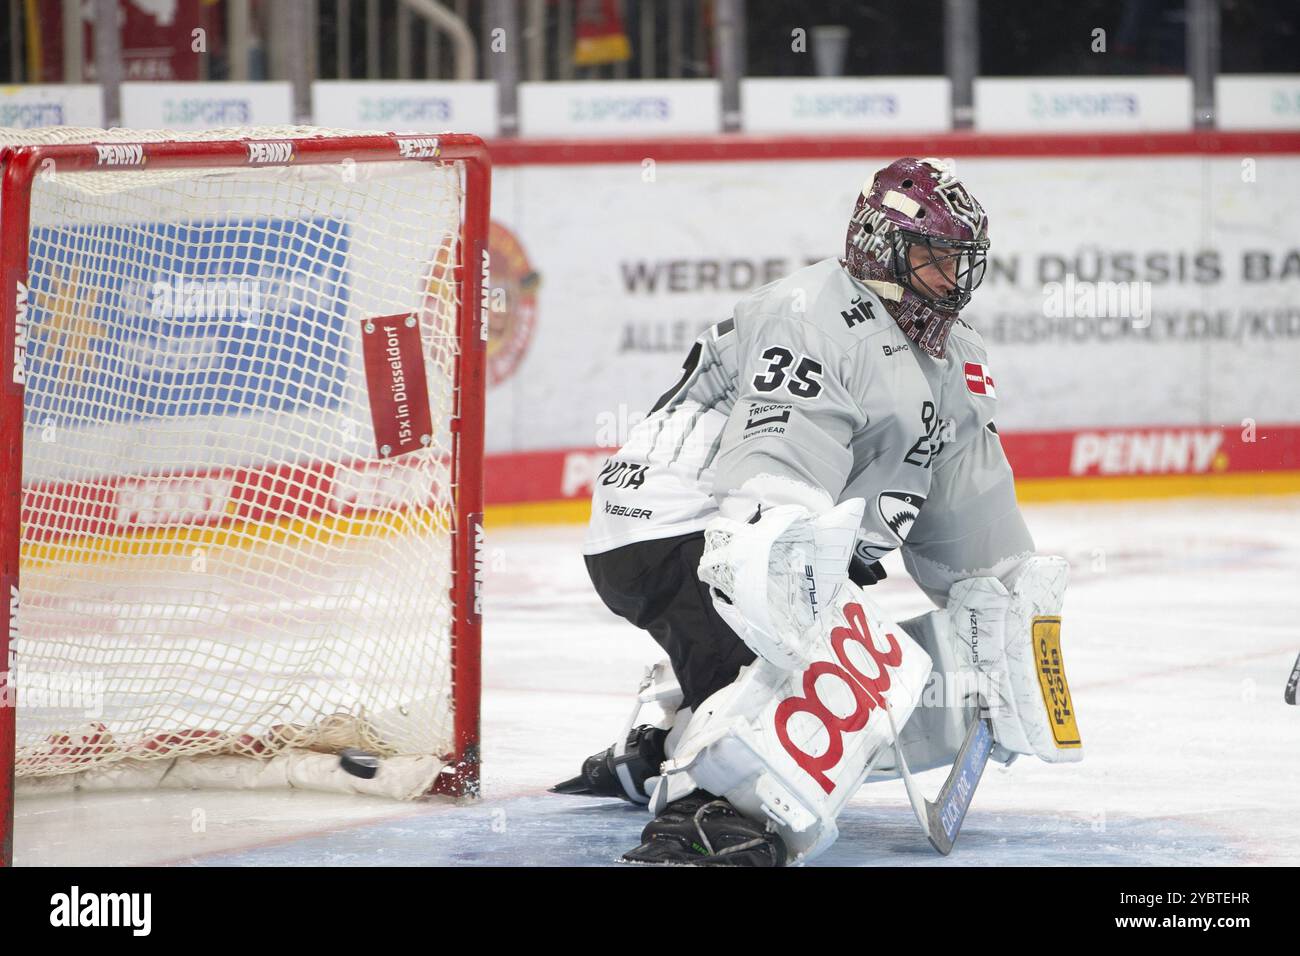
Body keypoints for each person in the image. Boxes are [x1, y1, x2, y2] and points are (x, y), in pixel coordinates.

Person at [556, 158, 1079, 866]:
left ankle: (659, 743)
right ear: (878, 246)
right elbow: (771, 494)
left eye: (959, 261)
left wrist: (1003, 602)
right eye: (932, 258)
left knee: (890, 676)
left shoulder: (955, 357)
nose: (950, 280)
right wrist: (803, 621)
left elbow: (966, 508)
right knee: (811, 682)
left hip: (753, 537)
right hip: (670, 529)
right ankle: (705, 814)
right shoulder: (810, 312)